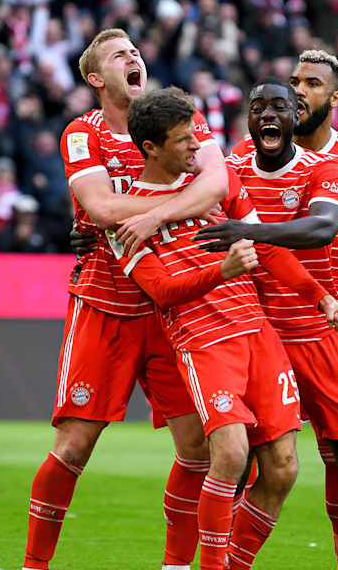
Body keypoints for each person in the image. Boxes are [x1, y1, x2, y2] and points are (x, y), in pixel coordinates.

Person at [196, 73, 338, 570]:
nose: (294, 97)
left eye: (306, 88)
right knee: (243, 464)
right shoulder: (234, 164)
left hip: (323, 332)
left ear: (321, 103)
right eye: (262, 103)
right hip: (258, 336)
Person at [115, 87, 338, 570]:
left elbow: (265, 247)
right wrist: (219, 272)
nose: (196, 147)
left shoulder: (219, 184)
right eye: (183, 141)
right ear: (151, 149)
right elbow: (160, 291)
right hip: (204, 343)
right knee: (231, 453)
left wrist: (319, 296)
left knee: (284, 468)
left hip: (258, 335)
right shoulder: (127, 217)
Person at [25, 28, 229, 570]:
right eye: (120, 56)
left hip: (173, 305)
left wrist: (158, 213)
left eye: (136, 51)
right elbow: (97, 207)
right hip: (106, 301)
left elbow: (220, 185)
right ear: (96, 78)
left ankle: (176, 566)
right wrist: (179, 201)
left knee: (199, 450)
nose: (134, 57)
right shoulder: (81, 133)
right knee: (73, 448)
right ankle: (34, 566)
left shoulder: (179, 117)